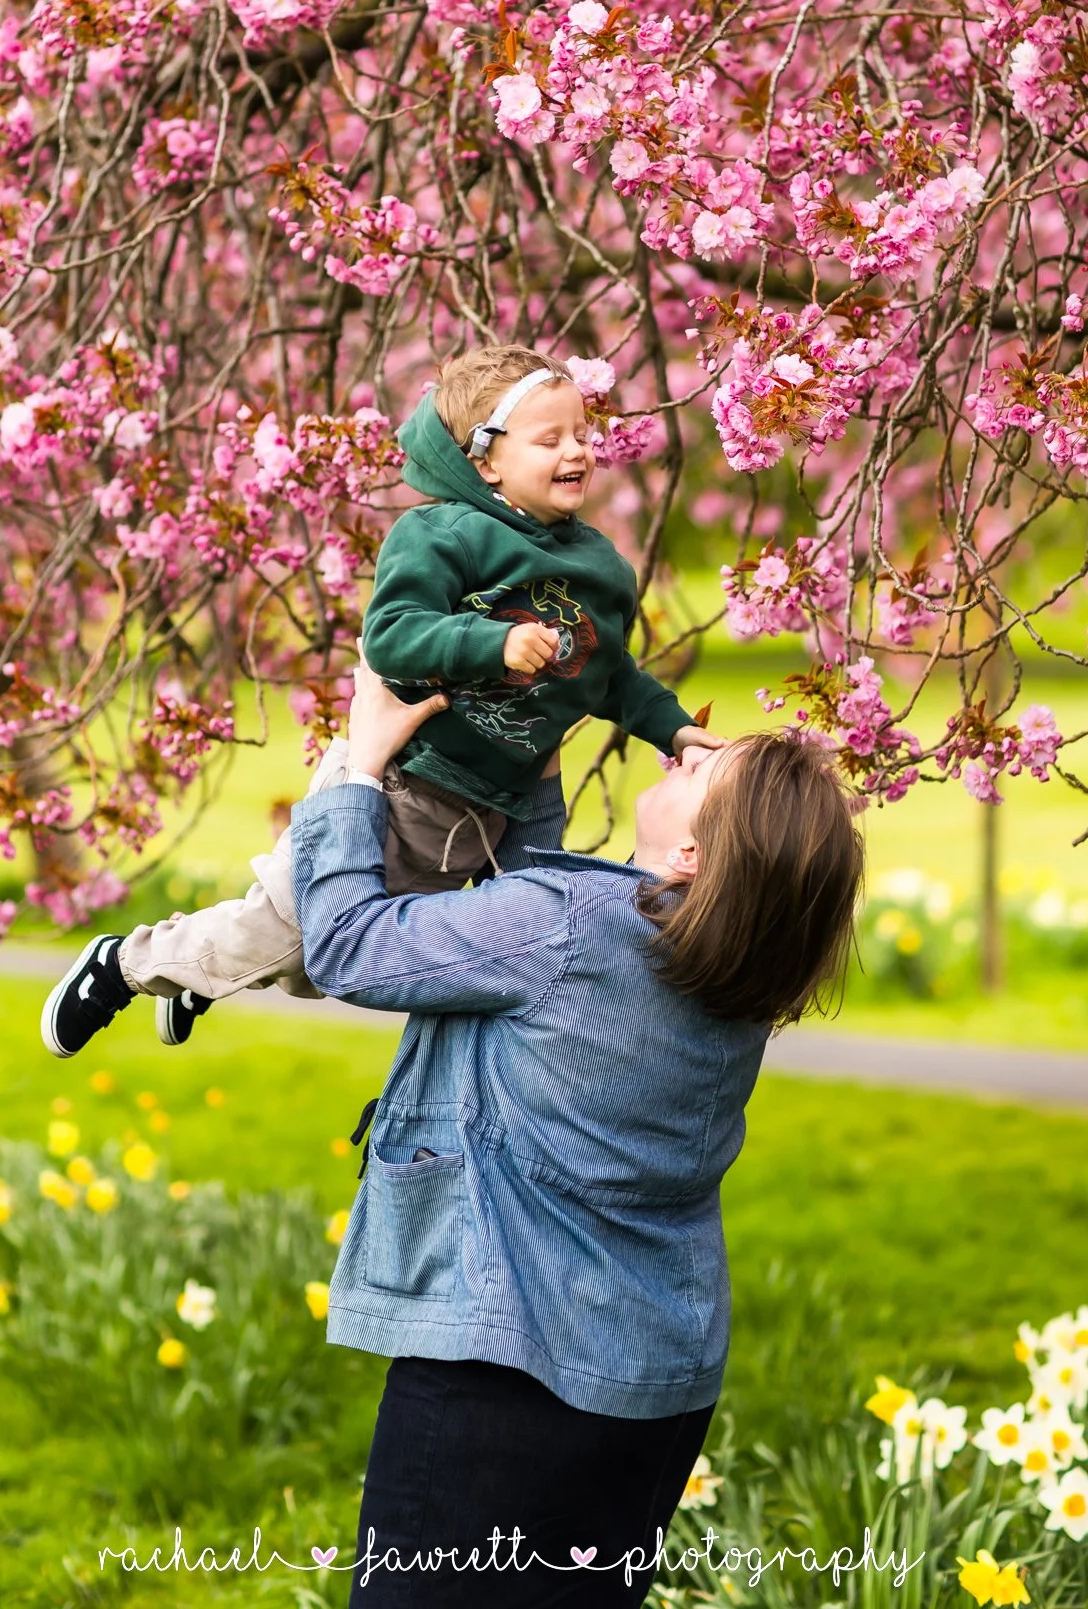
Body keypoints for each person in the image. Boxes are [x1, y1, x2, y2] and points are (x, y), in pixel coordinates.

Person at [286, 657, 863, 1605]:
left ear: (692, 859)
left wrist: (358, 769)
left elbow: (348, 945)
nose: (685, 754)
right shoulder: (735, 969)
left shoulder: (562, 931)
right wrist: (536, 771)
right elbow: (540, 932)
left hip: (502, 1372)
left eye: (700, 776)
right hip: (654, 1384)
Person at [41, 345, 721, 1059]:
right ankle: (127, 964)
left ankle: (203, 974)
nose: (575, 451)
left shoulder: (597, 565)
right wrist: (491, 642)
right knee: (303, 938)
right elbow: (391, 637)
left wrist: (673, 732)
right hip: (407, 784)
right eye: (548, 440)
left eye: (581, 434)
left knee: (385, 959)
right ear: (484, 461)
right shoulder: (440, 534)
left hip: (513, 800)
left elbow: (611, 674)